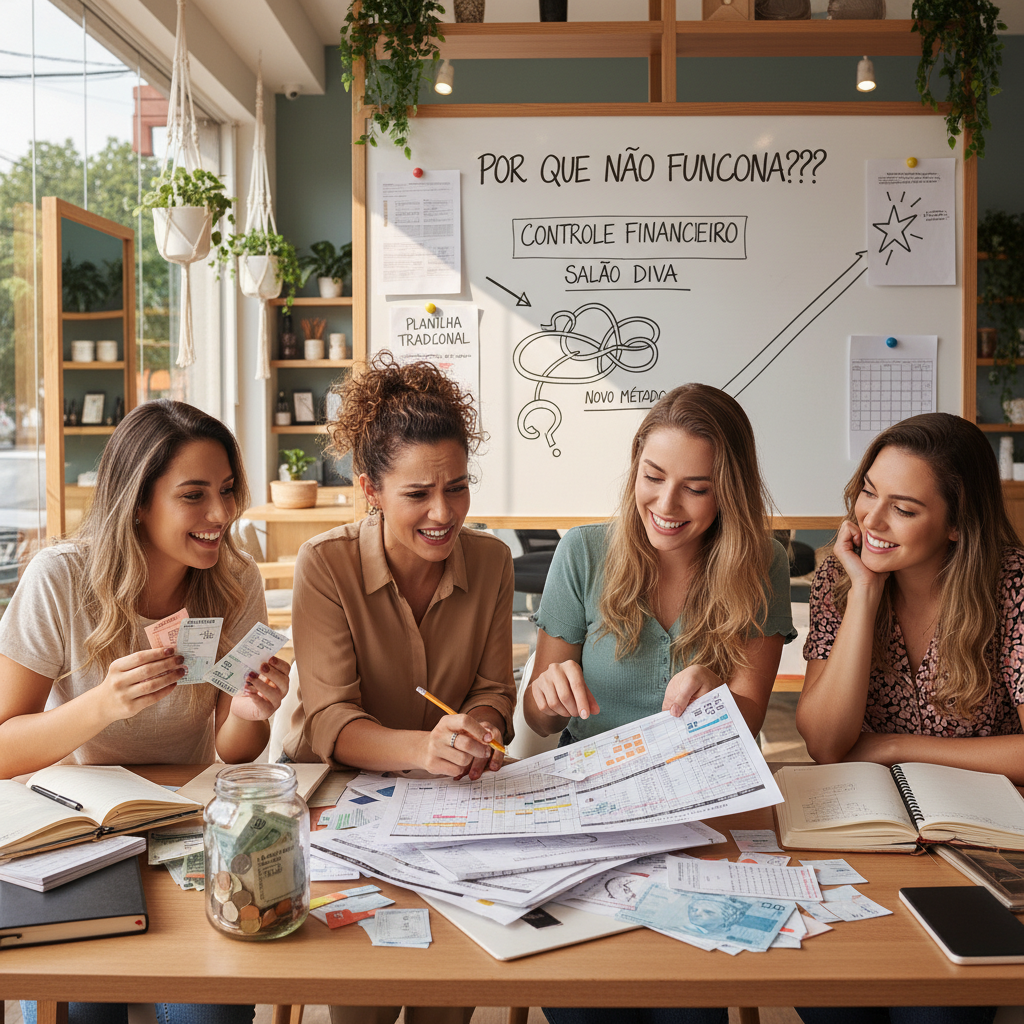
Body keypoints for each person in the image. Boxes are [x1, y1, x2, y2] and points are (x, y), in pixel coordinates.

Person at [0, 400, 290, 1024]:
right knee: (79, 1009)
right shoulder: (60, 579)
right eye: (194, 495)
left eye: (228, 490)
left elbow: (235, 752)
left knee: (210, 1013)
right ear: (137, 501)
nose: (222, 514)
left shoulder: (235, 582)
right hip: (69, 832)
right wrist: (102, 705)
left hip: (185, 826)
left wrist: (246, 709)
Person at [522, 383, 795, 1024]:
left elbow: (751, 715)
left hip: (702, 812)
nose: (666, 505)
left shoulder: (763, 562)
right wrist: (546, 695)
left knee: (689, 1008)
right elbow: (539, 717)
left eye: (697, 488)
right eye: (653, 477)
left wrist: (718, 697)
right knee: (588, 1004)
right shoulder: (584, 552)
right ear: (636, 465)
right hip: (588, 816)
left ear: (729, 490)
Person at [281, 352, 515, 1024]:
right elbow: (329, 720)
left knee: (450, 989)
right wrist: (425, 747)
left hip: (454, 807)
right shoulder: (324, 564)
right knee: (367, 1001)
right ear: (370, 488)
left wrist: (482, 726)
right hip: (341, 804)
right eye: (417, 494)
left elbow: (496, 688)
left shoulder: (493, 560)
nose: (444, 513)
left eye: (459, 487)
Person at [794, 413, 1024, 1024]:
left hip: (980, 839)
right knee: (829, 1001)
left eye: (904, 507)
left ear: (956, 524)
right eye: (869, 491)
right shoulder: (838, 580)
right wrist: (865, 594)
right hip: (864, 829)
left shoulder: (1014, 587)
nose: (870, 520)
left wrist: (896, 746)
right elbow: (825, 743)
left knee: (933, 1013)